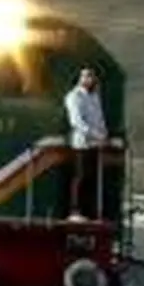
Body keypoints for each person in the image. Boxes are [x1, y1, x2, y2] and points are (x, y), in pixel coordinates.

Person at [64, 67, 107, 220]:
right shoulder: (74, 96)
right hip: (82, 143)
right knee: (81, 176)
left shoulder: (94, 97)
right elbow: (76, 121)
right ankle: (76, 211)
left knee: (92, 178)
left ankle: (90, 211)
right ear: (80, 78)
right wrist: (94, 134)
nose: (90, 79)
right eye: (87, 76)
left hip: (96, 144)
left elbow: (99, 118)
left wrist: (103, 133)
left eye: (92, 76)